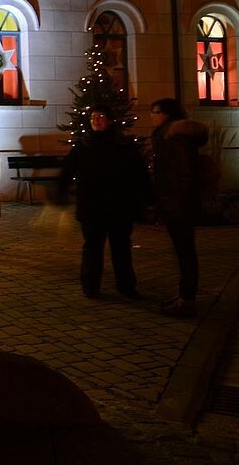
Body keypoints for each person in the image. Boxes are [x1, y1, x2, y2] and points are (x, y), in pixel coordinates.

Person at [58, 105, 150, 300]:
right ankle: (91, 285)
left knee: (121, 247)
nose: (96, 120)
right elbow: (68, 171)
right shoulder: (83, 145)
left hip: (119, 205)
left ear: (109, 120)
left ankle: (126, 285)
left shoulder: (123, 145)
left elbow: (140, 173)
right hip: (92, 206)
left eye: (100, 116)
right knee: (92, 247)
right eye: (93, 117)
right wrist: (60, 192)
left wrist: (146, 197)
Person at [149, 98, 208, 318]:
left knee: (185, 254)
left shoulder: (177, 138)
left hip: (179, 205)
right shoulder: (168, 136)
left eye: (155, 112)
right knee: (183, 253)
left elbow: (185, 175)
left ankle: (187, 300)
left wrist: (177, 204)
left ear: (166, 114)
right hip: (175, 203)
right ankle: (185, 296)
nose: (152, 116)